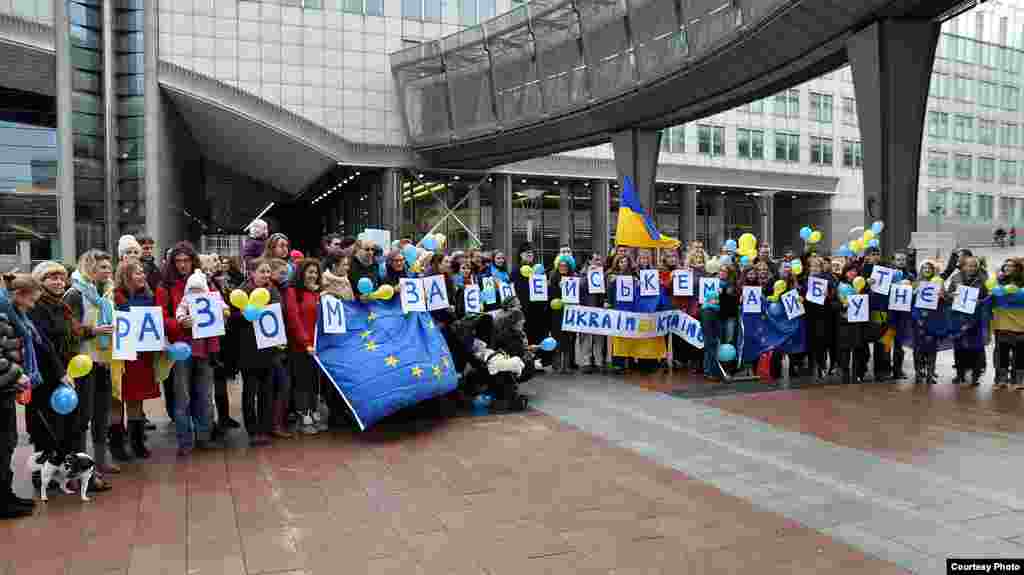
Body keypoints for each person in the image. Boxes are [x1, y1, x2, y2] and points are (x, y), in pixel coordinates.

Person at [157, 243, 217, 456]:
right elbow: (161, 318)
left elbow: (217, 306)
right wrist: (179, 324)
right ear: (172, 263)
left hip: (204, 346)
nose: (183, 265)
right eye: (178, 261)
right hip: (181, 348)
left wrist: (223, 312)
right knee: (182, 397)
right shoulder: (165, 286)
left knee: (204, 395)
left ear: (193, 261)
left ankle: (203, 437)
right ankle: (185, 441)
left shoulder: (206, 282)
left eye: (186, 260)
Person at [64, 250, 117, 486]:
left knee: (102, 413)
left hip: (103, 360)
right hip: (84, 361)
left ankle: (100, 461)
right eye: (103, 267)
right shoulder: (75, 294)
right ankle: (78, 468)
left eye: (109, 266)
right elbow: (71, 330)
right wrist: (93, 331)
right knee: (83, 416)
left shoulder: (101, 293)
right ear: (90, 268)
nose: (108, 270)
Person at [26, 263, 80, 468]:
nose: (59, 282)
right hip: (45, 373)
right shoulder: (37, 305)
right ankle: (42, 475)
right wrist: (60, 372)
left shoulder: (61, 305)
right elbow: (43, 343)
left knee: (64, 424)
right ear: (41, 281)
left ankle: (60, 470)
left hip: (64, 370)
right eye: (52, 278)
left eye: (61, 278)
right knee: (44, 427)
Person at [111, 261, 165, 458]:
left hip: (142, 357)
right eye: (137, 273)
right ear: (125, 276)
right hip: (122, 357)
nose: (142, 276)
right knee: (117, 400)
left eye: (143, 273)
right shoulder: (114, 297)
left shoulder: (150, 297)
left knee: (136, 399)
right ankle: (116, 445)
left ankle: (136, 443)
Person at [234, 258, 283, 446]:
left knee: (266, 391)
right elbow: (233, 318)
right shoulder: (242, 291)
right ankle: (252, 429)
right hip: (248, 349)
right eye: (262, 272)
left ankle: (264, 427)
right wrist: (246, 315)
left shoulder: (273, 291)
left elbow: (280, 311)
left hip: (268, 349)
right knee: (250, 391)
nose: (266, 275)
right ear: (252, 273)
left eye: (268, 272)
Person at [285, 259, 321, 435]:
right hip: (300, 346)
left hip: (317, 346)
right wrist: (305, 343)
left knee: (314, 381)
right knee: (302, 381)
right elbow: (294, 319)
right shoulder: (292, 292)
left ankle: (314, 410)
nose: (313, 275)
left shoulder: (318, 293)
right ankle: (303, 414)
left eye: (315, 272)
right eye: (309, 272)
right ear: (301, 273)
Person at [577, 253, 606, 374]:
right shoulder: (583, 274)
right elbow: (580, 286)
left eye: (600, 260)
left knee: (599, 338)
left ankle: (599, 362)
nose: (598, 262)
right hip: (586, 309)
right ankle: (586, 362)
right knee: (586, 338)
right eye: (596, 260)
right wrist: (589, 274)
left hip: (600, 310)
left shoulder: (604, 274)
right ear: (589, 261)